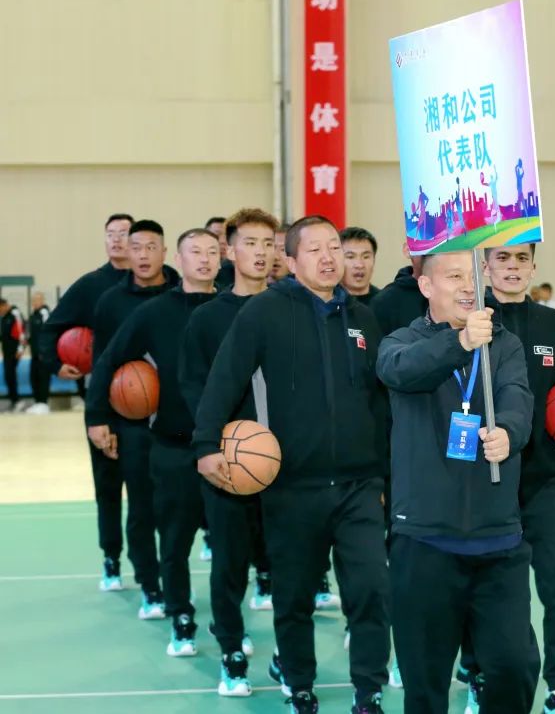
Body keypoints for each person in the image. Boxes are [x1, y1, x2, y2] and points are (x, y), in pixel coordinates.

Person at [193, 215, 390, 714]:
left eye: (335, 248)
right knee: (295, 597)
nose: (329, 258)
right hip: (293, 486)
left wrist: (388, 474)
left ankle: (368, 691)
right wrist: (206, 445)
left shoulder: (364, 319)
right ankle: (299, 684)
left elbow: (381, 403)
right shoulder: (264, 312)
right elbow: (225, 377)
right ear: (291, 259)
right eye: (315, 249)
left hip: (359, 485)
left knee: (371, 590)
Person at [454, 244, 555, 714]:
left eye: (521, 260)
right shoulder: (471, 321)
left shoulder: (550, 323)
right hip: (486, 483)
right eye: (502, 258)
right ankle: (478, 672)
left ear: (533, 267)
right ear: (485, 266)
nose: (512, 267)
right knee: (482, 589)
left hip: (543, 481)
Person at [377, 250, 538, 714]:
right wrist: (461, 342)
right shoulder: (401, 342)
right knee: (426, 685)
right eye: (454, 276)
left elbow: (517, 398)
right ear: (426, 286)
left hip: (498, 539)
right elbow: (400, 371)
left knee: (514, 665)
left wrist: (509, 432)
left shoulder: (505, 344)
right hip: (424, 541)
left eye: (474, 275)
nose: (469, 287)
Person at [84, 227, 220, 657]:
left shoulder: (235, 309)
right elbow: (108, 361)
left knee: (232, 543)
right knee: (173, 537)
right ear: (178, 259)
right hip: (173, 444)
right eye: (195, 252)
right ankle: (177, 612)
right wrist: (95, 416)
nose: (204, 259)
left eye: (212, 252)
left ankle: (229, 624)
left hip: (228, 446)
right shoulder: (154, 313)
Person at [178, 208, 278, 696]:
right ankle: (232, 650)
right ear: (230, 251)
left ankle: (288, 654)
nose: (260, 252)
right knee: (230, 562)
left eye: (268, 243)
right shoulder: (206, 318)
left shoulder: (290, 309)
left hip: (289, 464)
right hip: (231, 460)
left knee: (292, 564)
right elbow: (193, 387)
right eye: (250, 243)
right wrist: (213, 445)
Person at [85, 219, 179, 617]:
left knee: (175, 512)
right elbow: (102, 362)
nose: (142, 255)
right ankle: (149, 584)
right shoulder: (110, 302)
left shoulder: (183, 293)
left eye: (150, 247)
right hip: (132, 419)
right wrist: (99, 417)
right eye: (135, 247)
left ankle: (175, 583)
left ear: (164, 252)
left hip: (177, 421)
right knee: (140, 506)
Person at [39, 213, 133, 589]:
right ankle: (111, 558)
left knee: (151, 491)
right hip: (104, 401)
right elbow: (50, 329)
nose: (117, 240)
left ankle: (152, 565)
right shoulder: (90, 285)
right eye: (111, 234)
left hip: (152, 403)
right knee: (108, 487)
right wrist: (55, 362)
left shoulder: (162, 283)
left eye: (124, 233)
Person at [370, 242, 428, 337]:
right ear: (408, 249)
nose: (431, 253)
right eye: (425, 244)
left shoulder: (452, 295)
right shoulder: (384, 302)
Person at [26, 292, 52, 414]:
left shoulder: (45, 314)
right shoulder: (33, 316)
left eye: (37, 300)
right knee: (33, 377)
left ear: (42, 301)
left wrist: (45, 350)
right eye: (33, 301)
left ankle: (44, 403)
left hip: (44, 353)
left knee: (43, 378)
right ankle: (37, 402)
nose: (34, 303)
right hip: (34, 353)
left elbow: (48, 332)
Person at [340, 226, 380, 304]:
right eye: (350, 257)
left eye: (366, 257)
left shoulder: (385, 302)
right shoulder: (326, 304)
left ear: (374, 260)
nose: (359, 265)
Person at [0, 298, 26, 412]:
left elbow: (22, 332)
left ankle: (17, 401)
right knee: (8, 376)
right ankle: (14, 401)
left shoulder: (15, 313)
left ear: (4, 305)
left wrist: (20, 349)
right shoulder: (4, 317)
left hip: (14, 351)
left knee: (11, 375)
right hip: (7, 352)